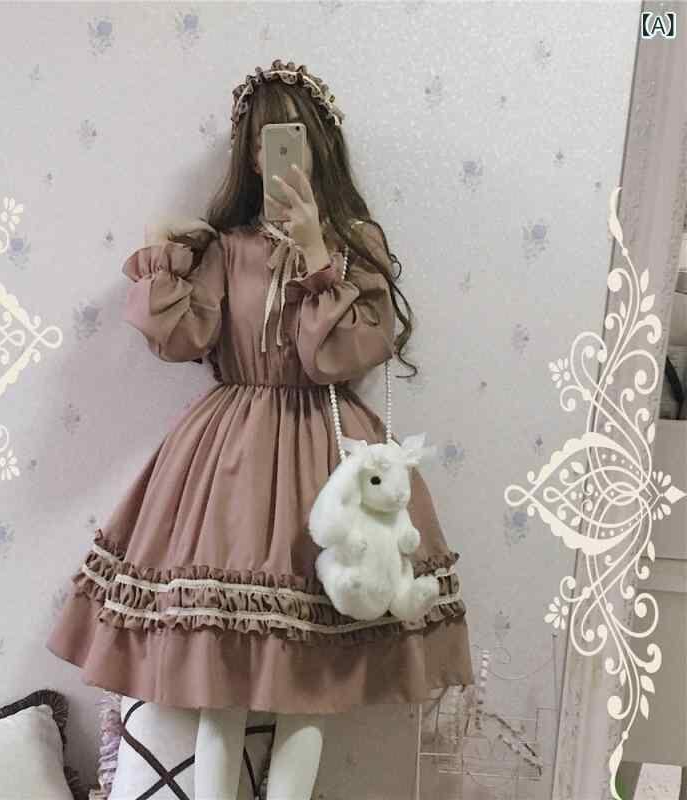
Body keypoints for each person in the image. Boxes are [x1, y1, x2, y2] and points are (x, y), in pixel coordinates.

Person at [46, 59, 473, 799]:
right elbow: (180, 338)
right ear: (248, 154)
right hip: (228, 465)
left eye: (291, 137)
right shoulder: (228, 248)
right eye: (260, 142)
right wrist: (166, 248)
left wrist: (318, 254)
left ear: (318, 146)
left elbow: (337, 354)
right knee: (224, 675)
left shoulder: (354, 244)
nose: (273, 156)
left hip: (323, 460)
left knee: (312, 674)